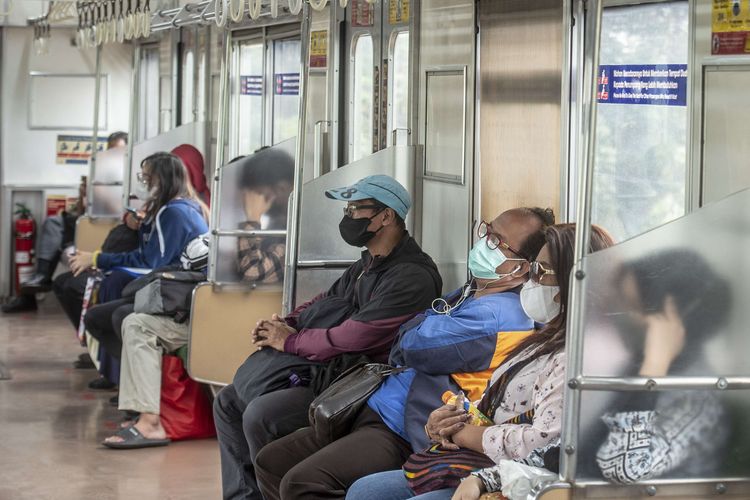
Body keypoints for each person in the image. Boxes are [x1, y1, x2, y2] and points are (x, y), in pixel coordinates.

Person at [258, 224, 614, 500]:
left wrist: (463, 432)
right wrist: (445, 423)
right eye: (486, 231)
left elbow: (412, 343)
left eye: (543, 271)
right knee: (274, 457)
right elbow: (410, 334)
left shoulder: (509, 321)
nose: (484, 242)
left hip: (413, 430)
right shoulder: (526, 325)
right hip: (406, 413)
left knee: (304, 476)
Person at [213, 174, 443, 500]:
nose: (347, 218)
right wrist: (286, 323)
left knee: (261, 415)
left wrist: (290, 341)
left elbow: (356, 337)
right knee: (227, 401)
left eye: (354, 210)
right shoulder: (367, 264)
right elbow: (325, 300)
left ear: (386, 216)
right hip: (330, 371)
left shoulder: (412, 276)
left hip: (359, 385)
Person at [81, 146, 212, 392]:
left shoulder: (172, 212)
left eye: (146, 178)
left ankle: (135, 380)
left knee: (116, 298)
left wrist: (99, 260)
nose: (143, 184)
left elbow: (153, 264)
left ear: (160, 180)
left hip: (175, 294)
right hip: (174, 287)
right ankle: (132, 377)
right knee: (103, 313)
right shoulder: (184, 206)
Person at [595, 249, 731, 484]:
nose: (620, 315)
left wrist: (655, 366)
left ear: (672, 322)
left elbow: (623, 467)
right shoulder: (632, 365)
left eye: (630, 306)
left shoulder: (696, 399)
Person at [2, 131, 128, 313]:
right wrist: (84, 197)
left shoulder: (129, 177)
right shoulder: (99, 173)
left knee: (61, 229)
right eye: (112, 151)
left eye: (119, 151)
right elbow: (82, 208)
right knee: (53, 222)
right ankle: (41, 277)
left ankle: (36, 285)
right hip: (89, 220)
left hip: (107, 225)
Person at [235, 147, 294, 282]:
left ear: (282, 188)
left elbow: (252, 273)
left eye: (259, 195)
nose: (253, 203)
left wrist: (252, 219)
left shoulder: (300, 232)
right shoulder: (279, 223)